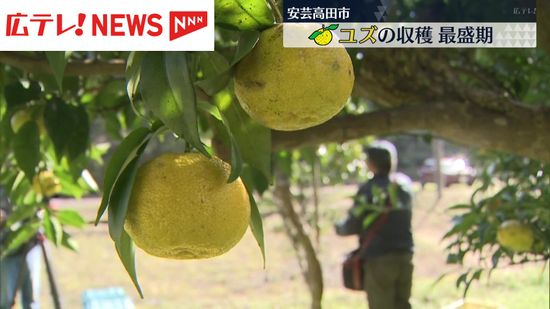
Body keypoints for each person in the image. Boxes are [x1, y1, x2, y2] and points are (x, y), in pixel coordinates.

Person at [335, 140, 414, 309]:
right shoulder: (404, 186)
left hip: (380, 258)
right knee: (402, 304)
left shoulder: (369, 189)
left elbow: (352, 224)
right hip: (405, 254)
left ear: (371, 163)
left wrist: (338, 227)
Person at [0, 185, 42, 309]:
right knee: (5, 301)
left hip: (31, 246)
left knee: (32, 300)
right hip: (7, 251)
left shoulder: (28, 179)